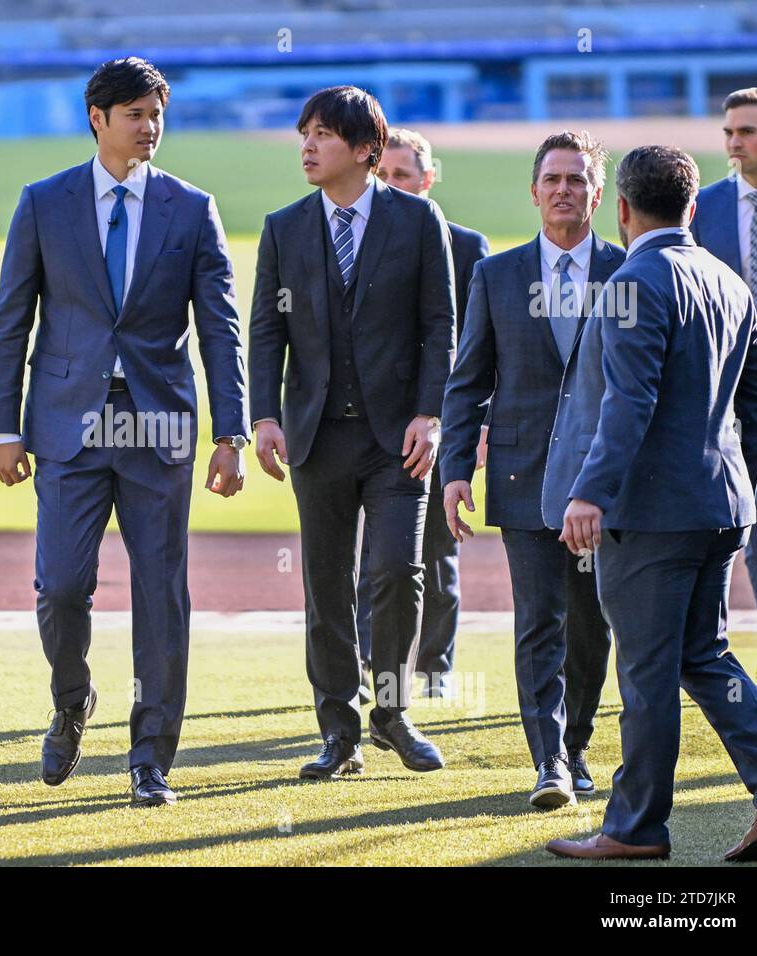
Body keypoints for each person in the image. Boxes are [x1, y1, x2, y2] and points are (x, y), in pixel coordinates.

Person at [0, 57, 248, 807]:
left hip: (160, 423)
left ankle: (150, 758)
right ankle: (73, 702)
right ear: (97, 118)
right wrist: (3, 426)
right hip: (68, 425)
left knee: (162, 593)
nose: (149, 126)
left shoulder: (192, 208)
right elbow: (12, 321)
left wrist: (229, 434)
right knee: (62, 586)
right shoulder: (43, 203)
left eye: (156, 113)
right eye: (134, 113)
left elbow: (220, 328)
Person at [546, 145, 757, 862]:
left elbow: (630, 400)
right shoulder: (726, 278)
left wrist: (590, 491)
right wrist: (727, 470)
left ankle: (634, 829)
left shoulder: (634, 279)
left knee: (647, 671)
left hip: (651, 516)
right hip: (718, 506)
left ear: (620, 209)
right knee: (702, 654)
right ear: (690, 206)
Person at [249, 86, 455, 780]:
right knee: (325, 585)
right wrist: (264, 416)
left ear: (366, 149)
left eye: (323, 135)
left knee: (398, 570)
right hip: (315, 439)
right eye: (303, 133)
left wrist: (432, 412)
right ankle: (339, 732)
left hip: (397, 438)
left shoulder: (419, 222)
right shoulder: (283, 227)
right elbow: (265, 329)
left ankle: (392, 713)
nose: (307, 146)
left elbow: (439, 326)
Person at [440, 132, 617, 808]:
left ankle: (576, 744)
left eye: (578, 179)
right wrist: (456, 467)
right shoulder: (498, 274)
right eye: (554, 179)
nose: (565, 190)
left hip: (601, 483)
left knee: (590, 624)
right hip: (521, 476)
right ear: (535, 191)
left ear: (597, 194)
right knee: (537, 619)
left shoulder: (627, 274)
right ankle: (549, 763)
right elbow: (468, 380)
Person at [356, 127, 490, 700]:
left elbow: (483, 346)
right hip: (371, 420)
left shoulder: (465, 246)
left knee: (437, 547)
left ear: (428, 179)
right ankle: (370, 667)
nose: (391, 186)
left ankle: (434, 667)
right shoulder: (354, 239)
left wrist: (478, 424)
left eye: (402, 176)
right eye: (383, 176)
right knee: (375, 552)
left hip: (443, 420)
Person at [690, 87, 757, 697]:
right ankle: (719, 648)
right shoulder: (707, 205)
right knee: (751, 500)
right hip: (732, 370)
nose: (733, 143)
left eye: (746, 132)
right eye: (728, 132)